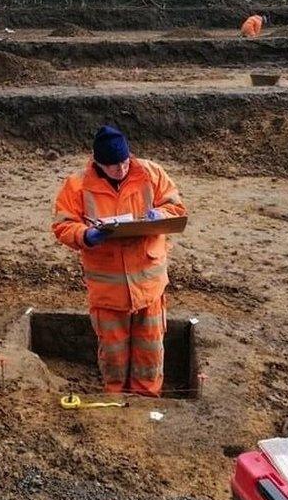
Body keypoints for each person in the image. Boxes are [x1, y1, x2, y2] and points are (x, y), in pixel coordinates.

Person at [51, 126, 187, 397]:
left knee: (149, 350)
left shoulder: (150, 173)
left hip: (149, 286)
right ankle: (115, 399)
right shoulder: (77, 185)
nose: (121, 169)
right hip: (108, 292)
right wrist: (87, 235)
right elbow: (63, 226)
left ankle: (147, 399)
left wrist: (158, 215)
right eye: (113, 166)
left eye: (124, 162)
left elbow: (176, 208)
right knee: (113, 352)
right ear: (98, 162)